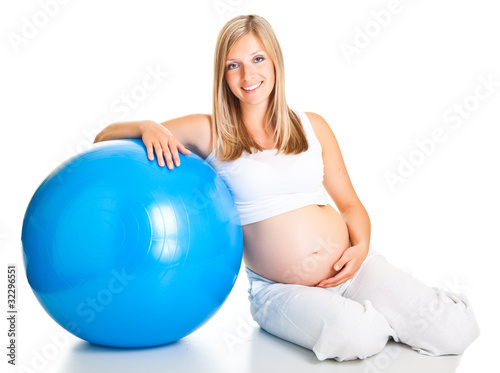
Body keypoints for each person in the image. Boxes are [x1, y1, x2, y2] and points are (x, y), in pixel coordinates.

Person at [94, 14, 479, 361]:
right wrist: (147, 125)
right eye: (234, 66)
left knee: (455, 331)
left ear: (275, 62)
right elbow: (104, 138)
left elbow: (350, 206)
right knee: (358, 336)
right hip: (280, 290)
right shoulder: (210, 130)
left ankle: (383, 311)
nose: (248, 76)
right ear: (223, 75)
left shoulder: (312, 126)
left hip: (353, 269)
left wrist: (360, 248)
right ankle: (367, 319)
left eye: (257, 59)